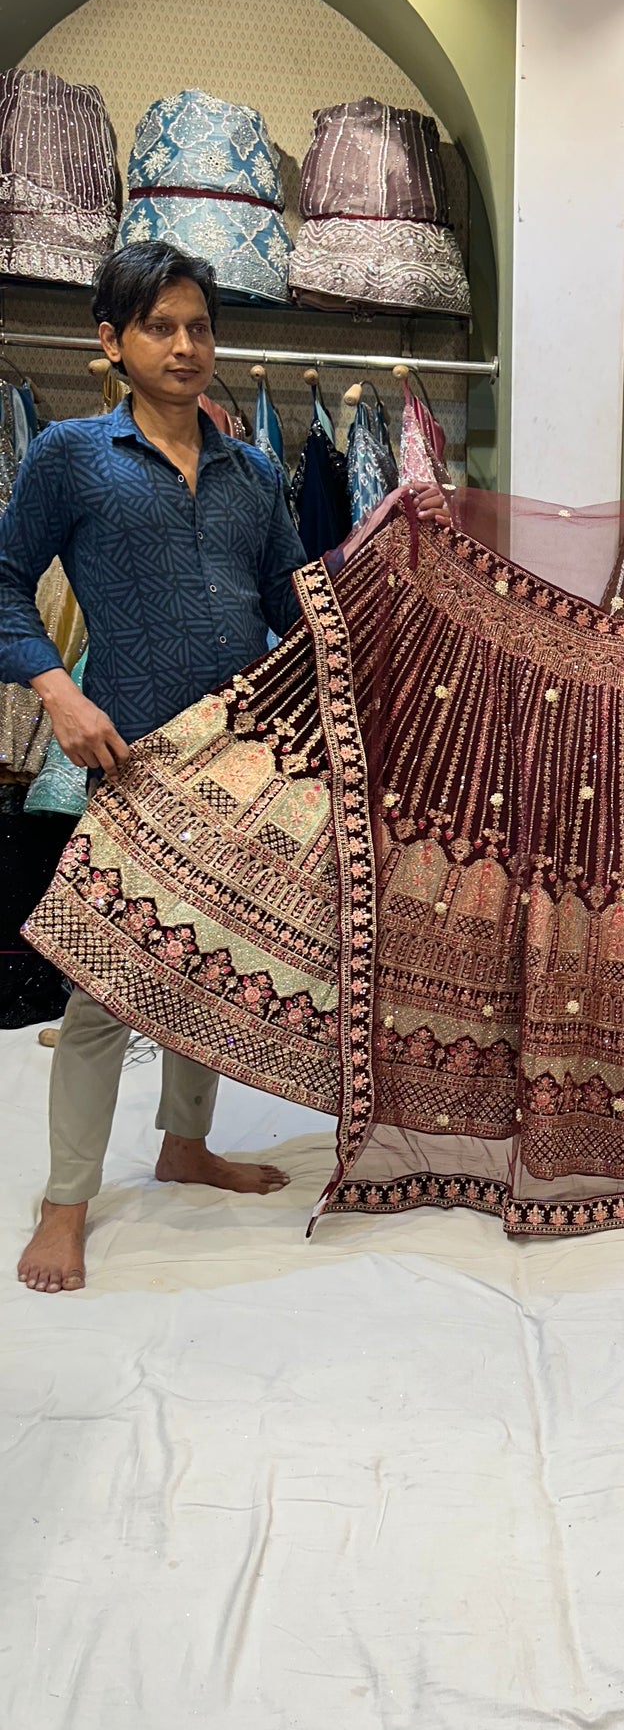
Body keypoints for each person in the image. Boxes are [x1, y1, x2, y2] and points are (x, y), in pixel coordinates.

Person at [0, 243, 445, 1293]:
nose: (187, 346)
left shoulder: (250, 474)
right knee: (107, 985)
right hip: (132, 762)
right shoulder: (72, 456)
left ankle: (184, 1146)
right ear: (110, 342)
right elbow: (6, 580)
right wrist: (55, 688)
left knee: (210, 960)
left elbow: (294, 609)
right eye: (160, 326)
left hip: (240, 763)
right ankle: (66, 1202)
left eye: (199, 325)